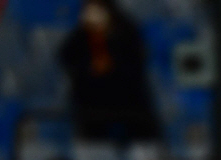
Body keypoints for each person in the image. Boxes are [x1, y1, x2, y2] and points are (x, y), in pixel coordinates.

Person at [60, 0, 160, 144]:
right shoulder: (81, 36)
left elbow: (136, 63)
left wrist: (112, 66)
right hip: (92, 100)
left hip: (126, 97)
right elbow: (67, 57)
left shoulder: (126, 30)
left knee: (142, 123)